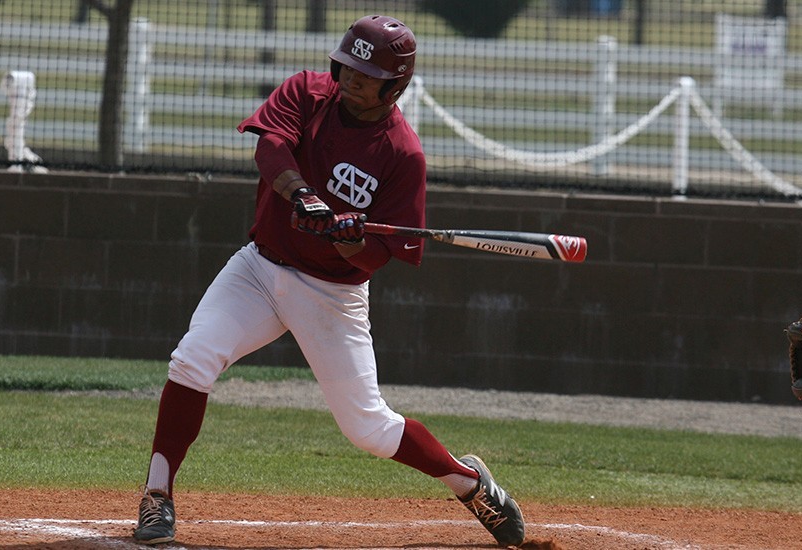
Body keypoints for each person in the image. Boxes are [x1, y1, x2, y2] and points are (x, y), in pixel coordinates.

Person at [132, 14, 525, 547]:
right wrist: (304, 196)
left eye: (367, 76)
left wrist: (346, 237)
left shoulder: (402, 155)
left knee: (368, 428)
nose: (351, 81)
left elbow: (372, 260)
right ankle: (157, 495)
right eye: (348, 68)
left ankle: (469, 481)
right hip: (260, 267)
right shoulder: (307, 92)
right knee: (193, 358)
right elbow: (270, 149)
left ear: (395, 87)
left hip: (331, 293)